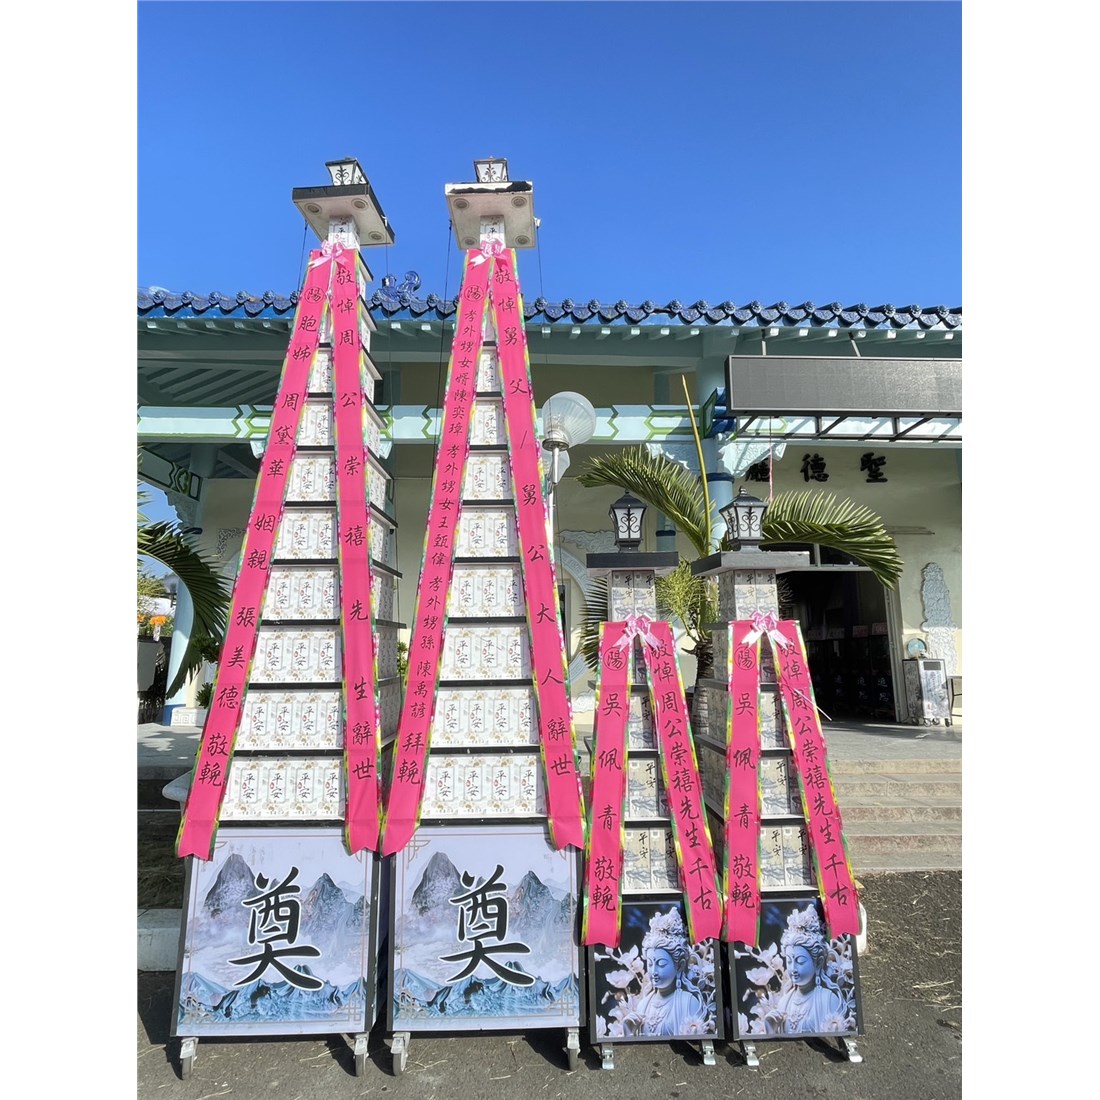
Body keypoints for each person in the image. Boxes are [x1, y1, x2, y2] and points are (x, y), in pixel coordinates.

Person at [622, 909, 709, 1037]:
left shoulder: (688, 1003)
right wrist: (629, 1033)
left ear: (680, 965)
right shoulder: (644, 1005)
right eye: (650, 964)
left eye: (661, 964)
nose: (654, 971)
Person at [763, 903, 846, 1035]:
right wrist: (771, 1028)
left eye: (800, 961)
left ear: (818, 963)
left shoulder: (828, 1000)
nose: (793, 968)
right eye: (789, 961)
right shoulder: (785, 1001)